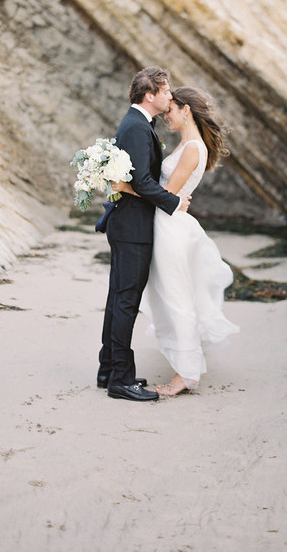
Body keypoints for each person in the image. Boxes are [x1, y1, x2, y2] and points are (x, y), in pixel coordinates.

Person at [116, 87, 239, 397]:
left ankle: (186, 374)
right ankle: (185, 363)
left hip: (170, 229)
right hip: (165, 225)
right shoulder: (186, 145)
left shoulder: (193, 148)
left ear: (186, 110)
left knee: (176, 298)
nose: (165, 115)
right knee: (168, 298)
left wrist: (123, 186)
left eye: (170, 109)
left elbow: (165, 196)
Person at [97, 66, 191, 402]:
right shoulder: (136, 127)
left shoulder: (138, 124)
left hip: (127, 224)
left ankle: (109, 368)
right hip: (132, 227)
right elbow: (141, 182)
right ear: (149, 95)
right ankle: (120, 379)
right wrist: (175, 202)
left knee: (118, 298)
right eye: (166, 91)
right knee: (126, 301)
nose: (170, 96)